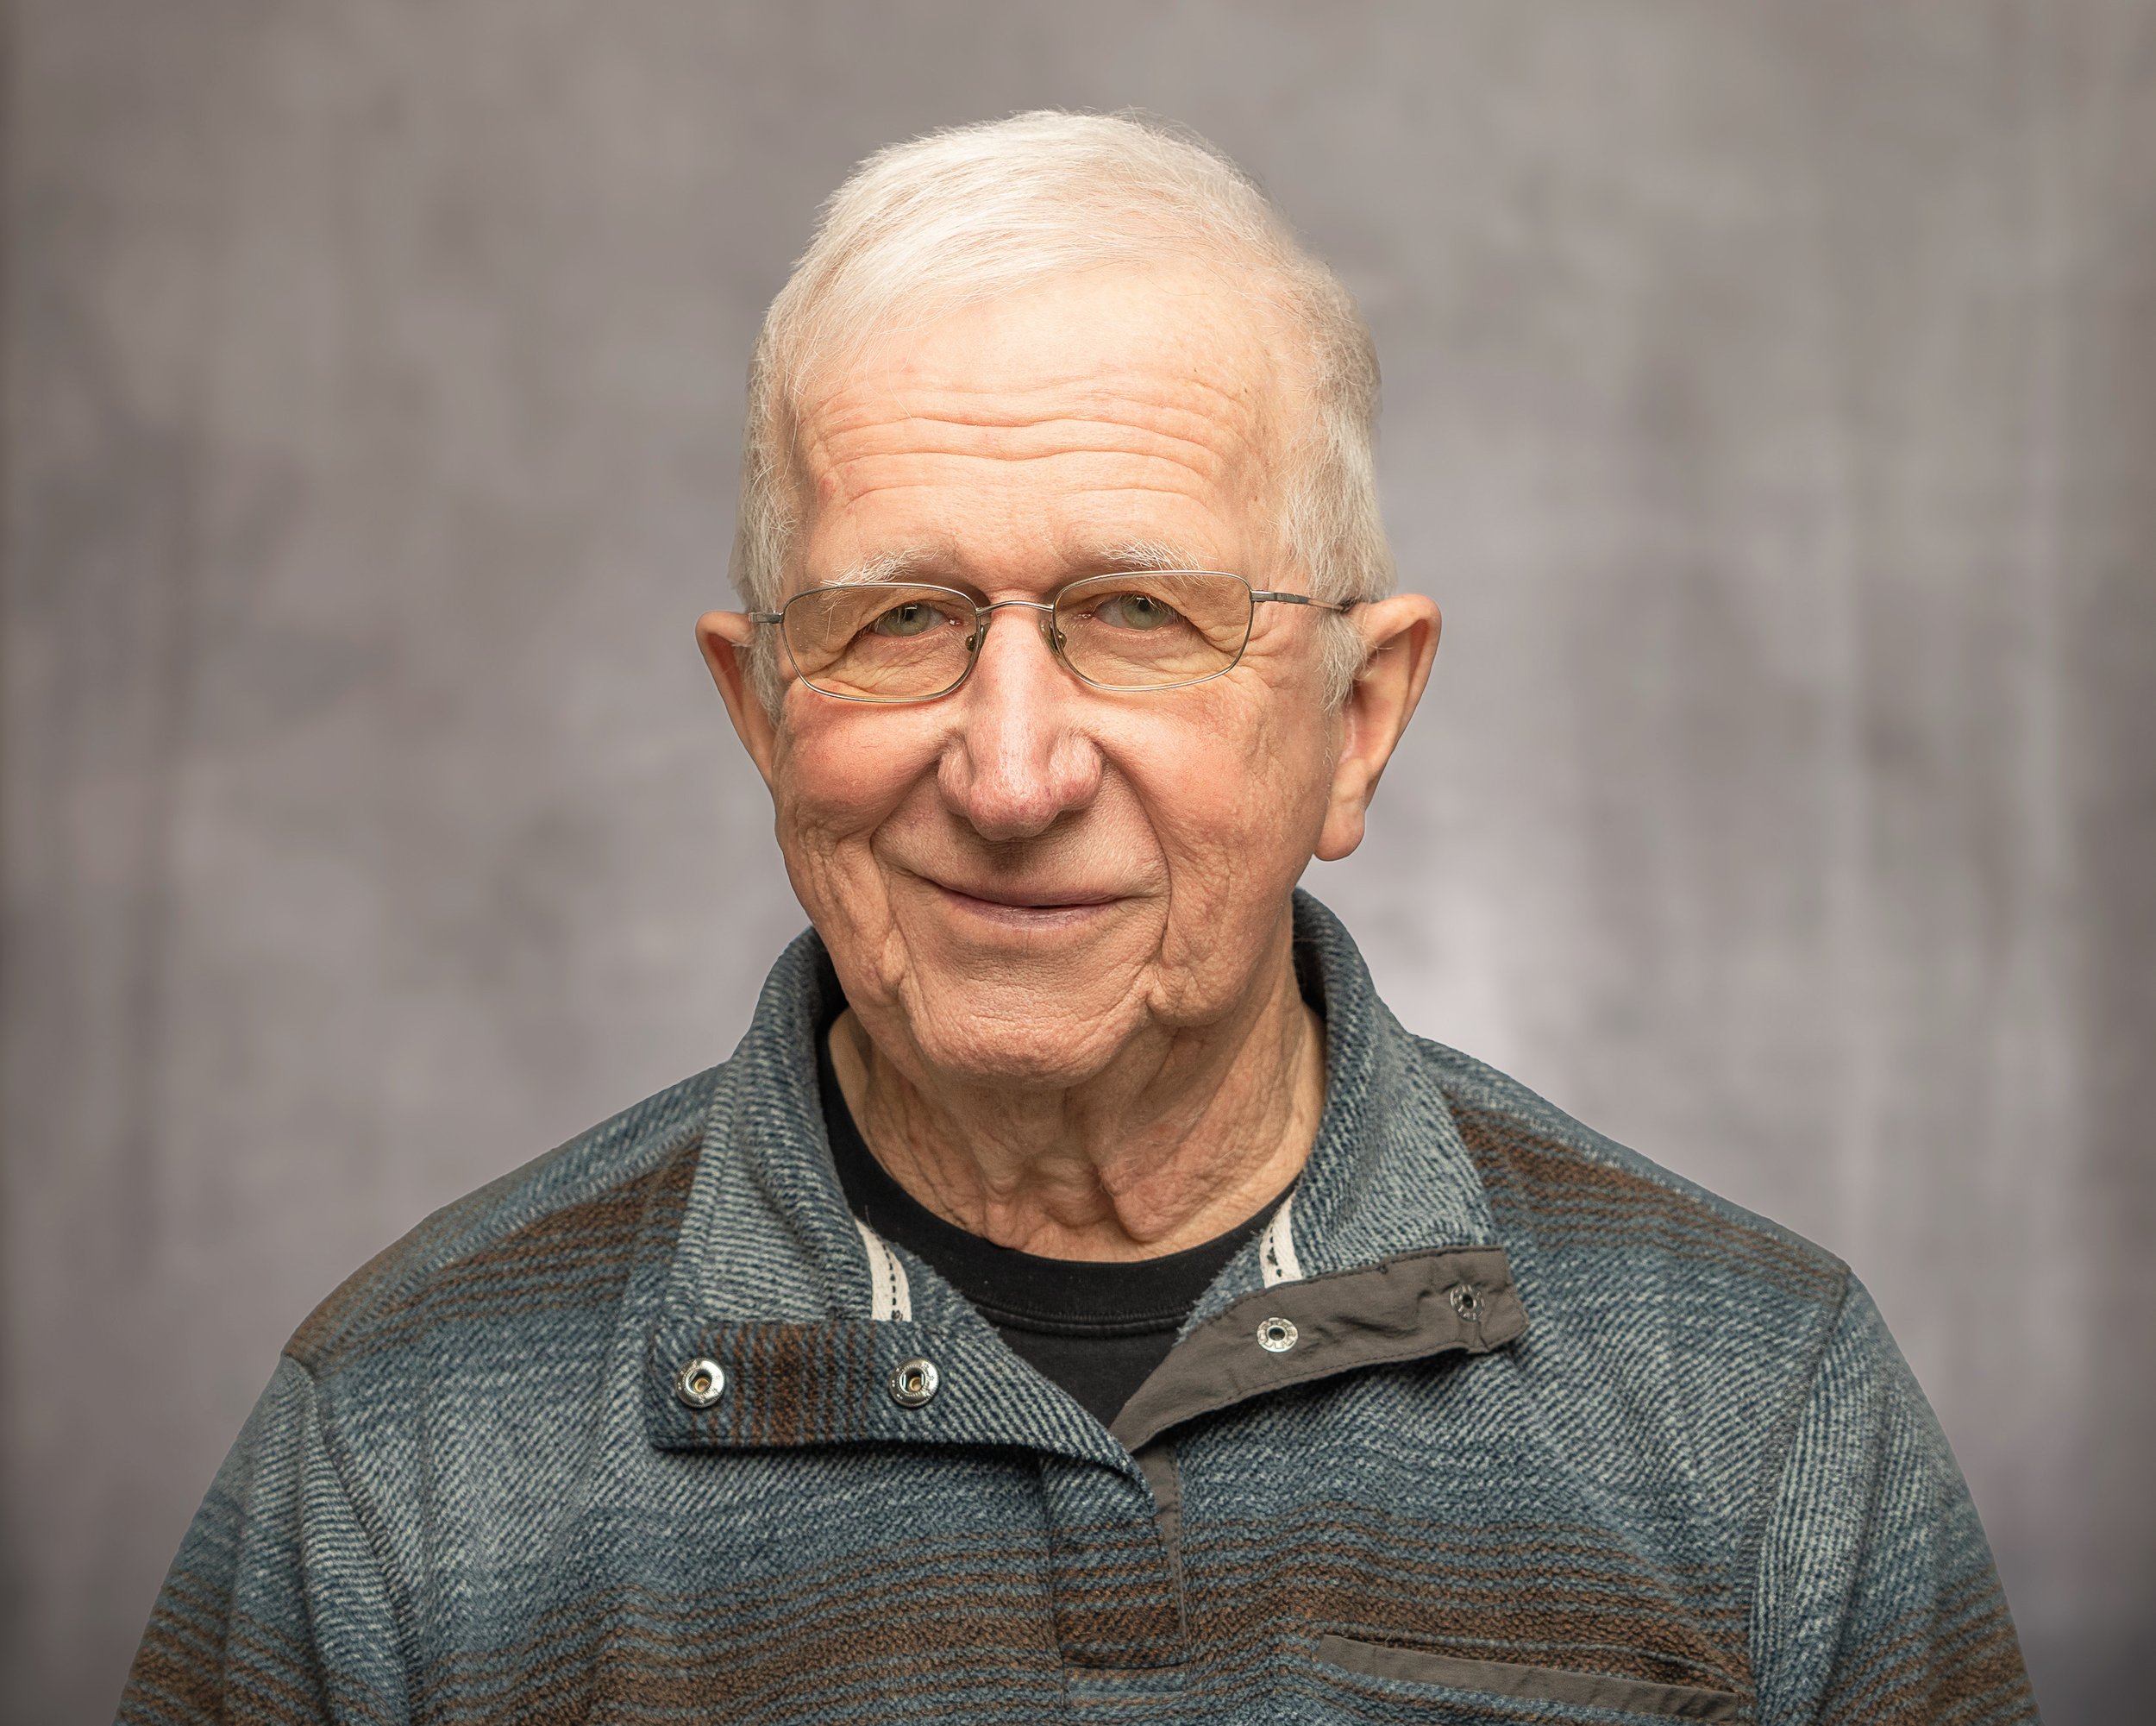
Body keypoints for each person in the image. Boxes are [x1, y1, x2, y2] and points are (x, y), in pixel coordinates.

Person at [119, 111, 2037, 1726]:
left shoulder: (1760, 1415)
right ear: (761, 713)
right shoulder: (397, 1454)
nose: (1013, 770)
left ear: (1352, 721)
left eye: (1138, 613)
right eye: (899, 619)